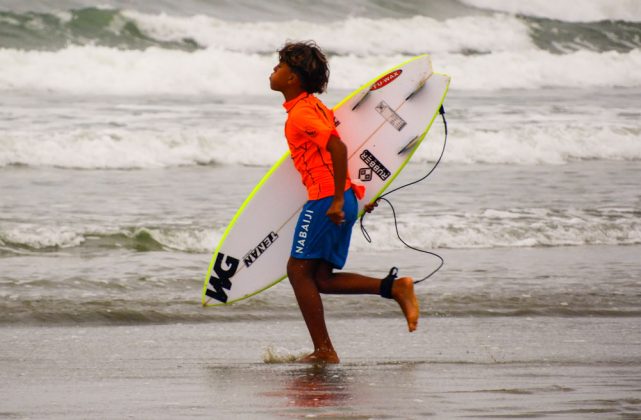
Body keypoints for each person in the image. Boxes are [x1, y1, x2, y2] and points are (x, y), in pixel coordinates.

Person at [269, 41, 419, 364]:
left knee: (297, 271)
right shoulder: (316, 108)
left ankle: (324, 351)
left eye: (279, 66)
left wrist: (337, 199)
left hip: (326, 199)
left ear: (293, 78)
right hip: (342, 196)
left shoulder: (302, 114)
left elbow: (337, 148)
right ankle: (394, 288)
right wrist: (352, 196)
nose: (274, 71)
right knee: (320, 278)